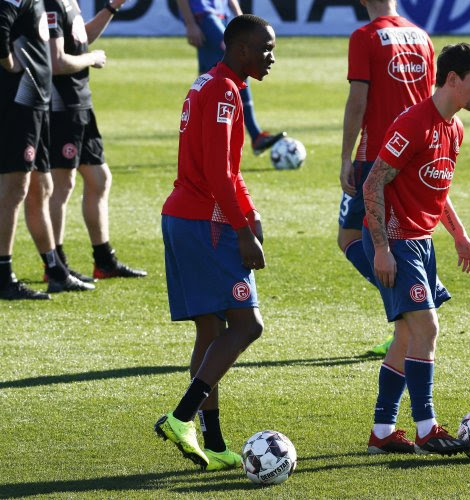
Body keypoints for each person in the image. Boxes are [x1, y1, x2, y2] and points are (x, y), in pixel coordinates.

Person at [362, 43, 470, 455]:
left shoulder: (454, 129)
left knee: (405, 338)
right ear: (452, 79)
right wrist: (382, 248)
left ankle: (382, 433)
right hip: (396, 239)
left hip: (420, 241)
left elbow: (438, 186)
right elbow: (372, 184)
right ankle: (427, 427)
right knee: (427, 329)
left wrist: (459, 234)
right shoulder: (413, 124)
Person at [154, 14, 273, 471]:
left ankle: (215, 441)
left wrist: (252, 211)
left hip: (182, 216)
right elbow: (219, 173)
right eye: (265, 49)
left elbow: (227, 168)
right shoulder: (225, 91)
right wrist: (242, 231)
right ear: (241, 49)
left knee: (210, 331)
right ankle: (181, 417)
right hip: (207, 223)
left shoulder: (207, 83)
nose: (271, 57)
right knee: (247, 326)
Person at [338, 0, 435, 355]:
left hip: (377, 154)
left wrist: (346, 156)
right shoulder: (422, 36)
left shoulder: (364, 36)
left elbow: (357, 101)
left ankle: (414, 305)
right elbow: (430, 101)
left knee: (352, 235)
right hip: (415, 152)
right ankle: (410, 312)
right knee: (391, 234)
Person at [44, 0, 147, 281]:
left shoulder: (69, 2)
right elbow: (56, 62)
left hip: (80, 104)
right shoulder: (49, 4)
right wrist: (92, 59)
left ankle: (104, 261)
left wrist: (112, 8)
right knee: (62, 185)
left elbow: (80, 40)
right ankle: (55, 265)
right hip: (60, 107)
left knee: (99, 179)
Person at [0, 0, 94, 300]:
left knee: (42, 186)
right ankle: (3, 276)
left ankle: (55, 271)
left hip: (37, 106)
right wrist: (9, 63)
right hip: (18, 105)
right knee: (14, 190)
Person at [175, 0, 285, 155]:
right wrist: (190, 23)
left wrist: (241, 16)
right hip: (203, 14)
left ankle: (198, 144)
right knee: (239, 59)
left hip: (222, 14)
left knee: (207, 76)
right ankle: (255, 135)